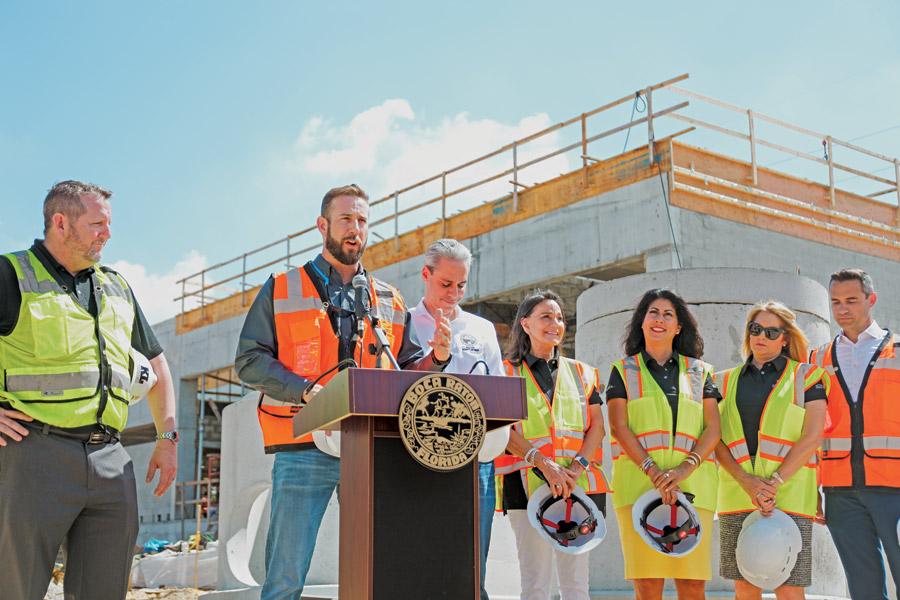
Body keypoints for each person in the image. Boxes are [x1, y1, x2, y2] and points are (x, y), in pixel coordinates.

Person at [234, 184, 453, 600]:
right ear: (323, 226)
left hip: (373, 448)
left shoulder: (388, 298)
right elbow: (249, 360)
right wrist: (305, 390)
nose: (356, 229)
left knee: (380, 568)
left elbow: (408, 370)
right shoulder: (281, 287)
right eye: (346, 219)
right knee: (285, 575)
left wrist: (437, 358)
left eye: (363, 221)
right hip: (304, 448)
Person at [0, 181, 178, 600]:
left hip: (111, 461)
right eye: (97, 223)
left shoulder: (116, 286)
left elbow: (156, 364)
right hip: (33, 452)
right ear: (60, 223)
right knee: (16, 589)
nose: (108, 234)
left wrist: (167, 437)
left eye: (109, 224)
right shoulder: (11, 275)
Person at [606, 288, 720, 600]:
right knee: (647, 584)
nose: (660, 319)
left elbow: (713, 429)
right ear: (641, 323)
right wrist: (654, 472)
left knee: (693, 585)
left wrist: (683, 469)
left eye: (668, 314)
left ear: (678, 326)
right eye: (653, 312)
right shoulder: (623, 370)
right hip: (638, 488)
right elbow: (618, 426)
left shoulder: (701, 371)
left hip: (694, 488)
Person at [408, 238, 507, 600]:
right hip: (417, 457)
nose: (454, 293)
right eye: (445, 284)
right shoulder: (402, 323)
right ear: (425, 274)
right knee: (420, 553)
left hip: (476, 459)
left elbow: (498, 390)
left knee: (471, 557)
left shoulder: (482, 329)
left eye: (462, 285)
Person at [494, 289, 608, 600]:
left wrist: (575, 467)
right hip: (526, 485)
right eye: (546, 316)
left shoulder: (583, 372)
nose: (555, 323)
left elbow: (597, 426)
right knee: (535, 584)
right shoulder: (506, 372)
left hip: (580, 484)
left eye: (559, 318)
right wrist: (544, 463)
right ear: (525, 324)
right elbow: (503, 428)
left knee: (576, 586)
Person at [715, 301, 829, 599]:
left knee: (790, 589)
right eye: (755, 329)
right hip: (737, 495)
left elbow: (813, 435)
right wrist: (746, 481)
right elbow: (715, 439)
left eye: (771, 331)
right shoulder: (721, 381)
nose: (761, 336)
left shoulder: (808, 376)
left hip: (790, 496)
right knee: (745, 588)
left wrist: (772, 484)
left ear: (785, 337)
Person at [809, 269, 900, 600]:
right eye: (835, 302)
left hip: (895, 486)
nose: (842, 309)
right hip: (840, 491)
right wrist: (812, 487)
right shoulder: (816, 358)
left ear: (871, 300)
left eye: (851, 300)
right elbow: (810, 430)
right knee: (862, 587)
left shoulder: (898, 351)